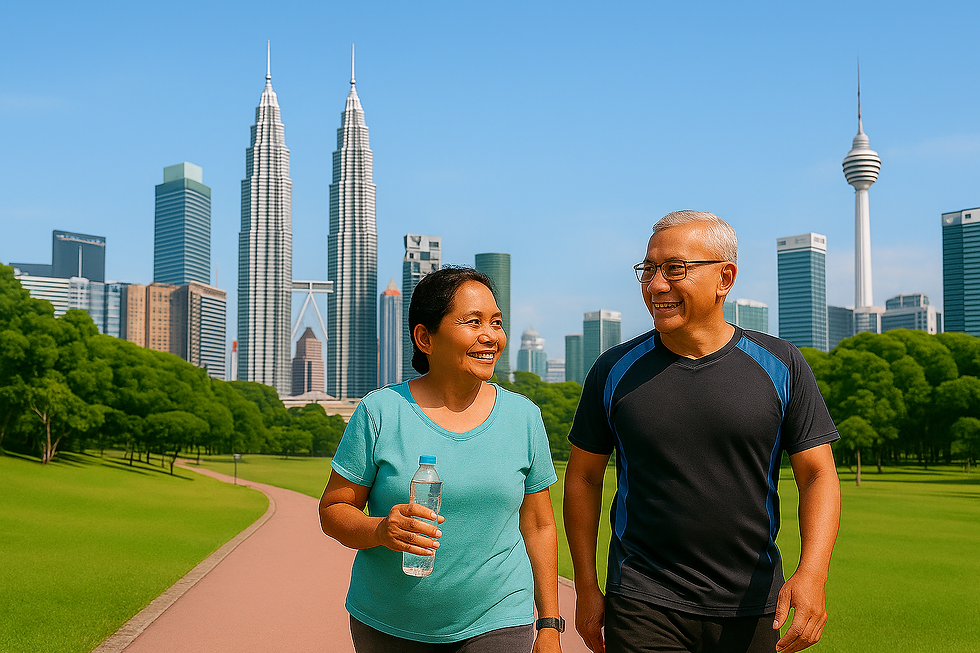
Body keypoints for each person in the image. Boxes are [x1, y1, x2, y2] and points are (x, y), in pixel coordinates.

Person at [563, 211, 841, 653]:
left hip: (752, 602)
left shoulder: (781, 364)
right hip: (642, 600)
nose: (655, 286)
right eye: (648, 269)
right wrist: (586, 584)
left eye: (675, 269)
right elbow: (583, 477)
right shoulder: (613, 370)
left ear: (724, 278)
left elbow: (818, 475)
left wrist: (813, 572)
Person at [319, 266, 565, 653]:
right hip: (389, 622)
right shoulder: (380, 412)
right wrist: (381, 530)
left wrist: (549, 624)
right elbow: (334, 510)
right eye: (473, 322)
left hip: (499, 618)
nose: (490, 336)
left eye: (496, 322)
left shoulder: (524, 417)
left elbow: (538, 525)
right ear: (425, 337)